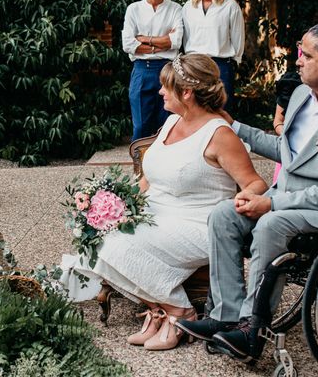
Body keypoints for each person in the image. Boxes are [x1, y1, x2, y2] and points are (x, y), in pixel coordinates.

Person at [176, 22, 318, 361]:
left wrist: (271, 202)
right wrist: (233, 126)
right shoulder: (303, 95)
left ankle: (251, 328)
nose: (298, 60)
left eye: (305, 54)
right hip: (287, 200)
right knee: (223, 213)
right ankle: (227, 316)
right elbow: (288, 152)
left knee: (271, 224)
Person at [64, 54, 267, 351]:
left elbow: (254, 182)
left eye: (165, 87)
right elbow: (150, 178)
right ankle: (162, 309)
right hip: (157, 213)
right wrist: (116, 204)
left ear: (186, 93)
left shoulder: (219, 134)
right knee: (94, 234)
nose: (159, 92)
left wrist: (248, 198)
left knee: (115, 245)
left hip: (198, 223)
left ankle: (179, 311)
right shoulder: (172, 121)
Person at [122, 0, 183, 140]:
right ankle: (139, 167)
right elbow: (127, 44)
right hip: (142, 70)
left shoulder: (175, 9)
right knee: (141, 126)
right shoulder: (134, 9)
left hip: (168, 69)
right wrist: (163, 41)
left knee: (168, 124)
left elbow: (176, 41)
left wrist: (144, 39)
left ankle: (165, 168)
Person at [182, 0, 244, 110]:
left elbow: (238, 39)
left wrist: (232, 65)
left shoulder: (230, 6)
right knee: (195, 112)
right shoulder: (188, 7)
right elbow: (185, 40)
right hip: (194, 67)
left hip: (220, 67)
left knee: (221, 113)